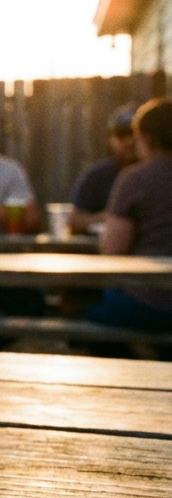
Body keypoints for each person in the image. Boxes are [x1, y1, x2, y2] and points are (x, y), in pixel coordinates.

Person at [86, 98, 172, 332]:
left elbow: (113, 248)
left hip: (150, 300)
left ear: (146, 138)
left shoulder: (135, 178)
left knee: (83, 308)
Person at [70, 104, 141, 233]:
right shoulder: (97, 175)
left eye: (134, 134)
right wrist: (107, 217)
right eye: (122, 134)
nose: (129, 141)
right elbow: (74, 220)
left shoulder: (159, 175)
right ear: (110, 139)